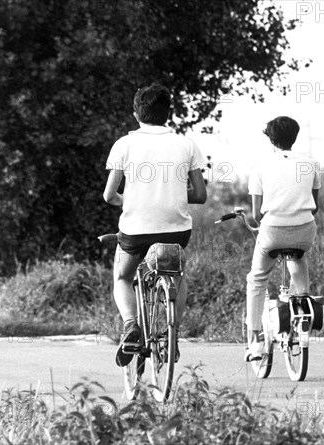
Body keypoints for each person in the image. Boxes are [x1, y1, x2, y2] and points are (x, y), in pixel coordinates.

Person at [103, 83, 207, 367]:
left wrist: (134, 198)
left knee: (123, 277)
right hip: (176, 231)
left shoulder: (124, 144)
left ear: (136, 113)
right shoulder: (186, 144)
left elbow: (109, 195)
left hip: (136, 231)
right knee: (178, 276)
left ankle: (131, 326)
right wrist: (172, 192)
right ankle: (171, 336)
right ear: (168, 113)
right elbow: (200, 195)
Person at [245, 116, 320, 361]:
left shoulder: (261, 166)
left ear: (270, 138)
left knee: (257, 278)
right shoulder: (310, 164)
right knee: (297, 257)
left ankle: (255, 340)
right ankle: (302, 305)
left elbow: (256, 214)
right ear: (295, 136)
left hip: (273, 231)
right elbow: (315, 206)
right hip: (305, 230)